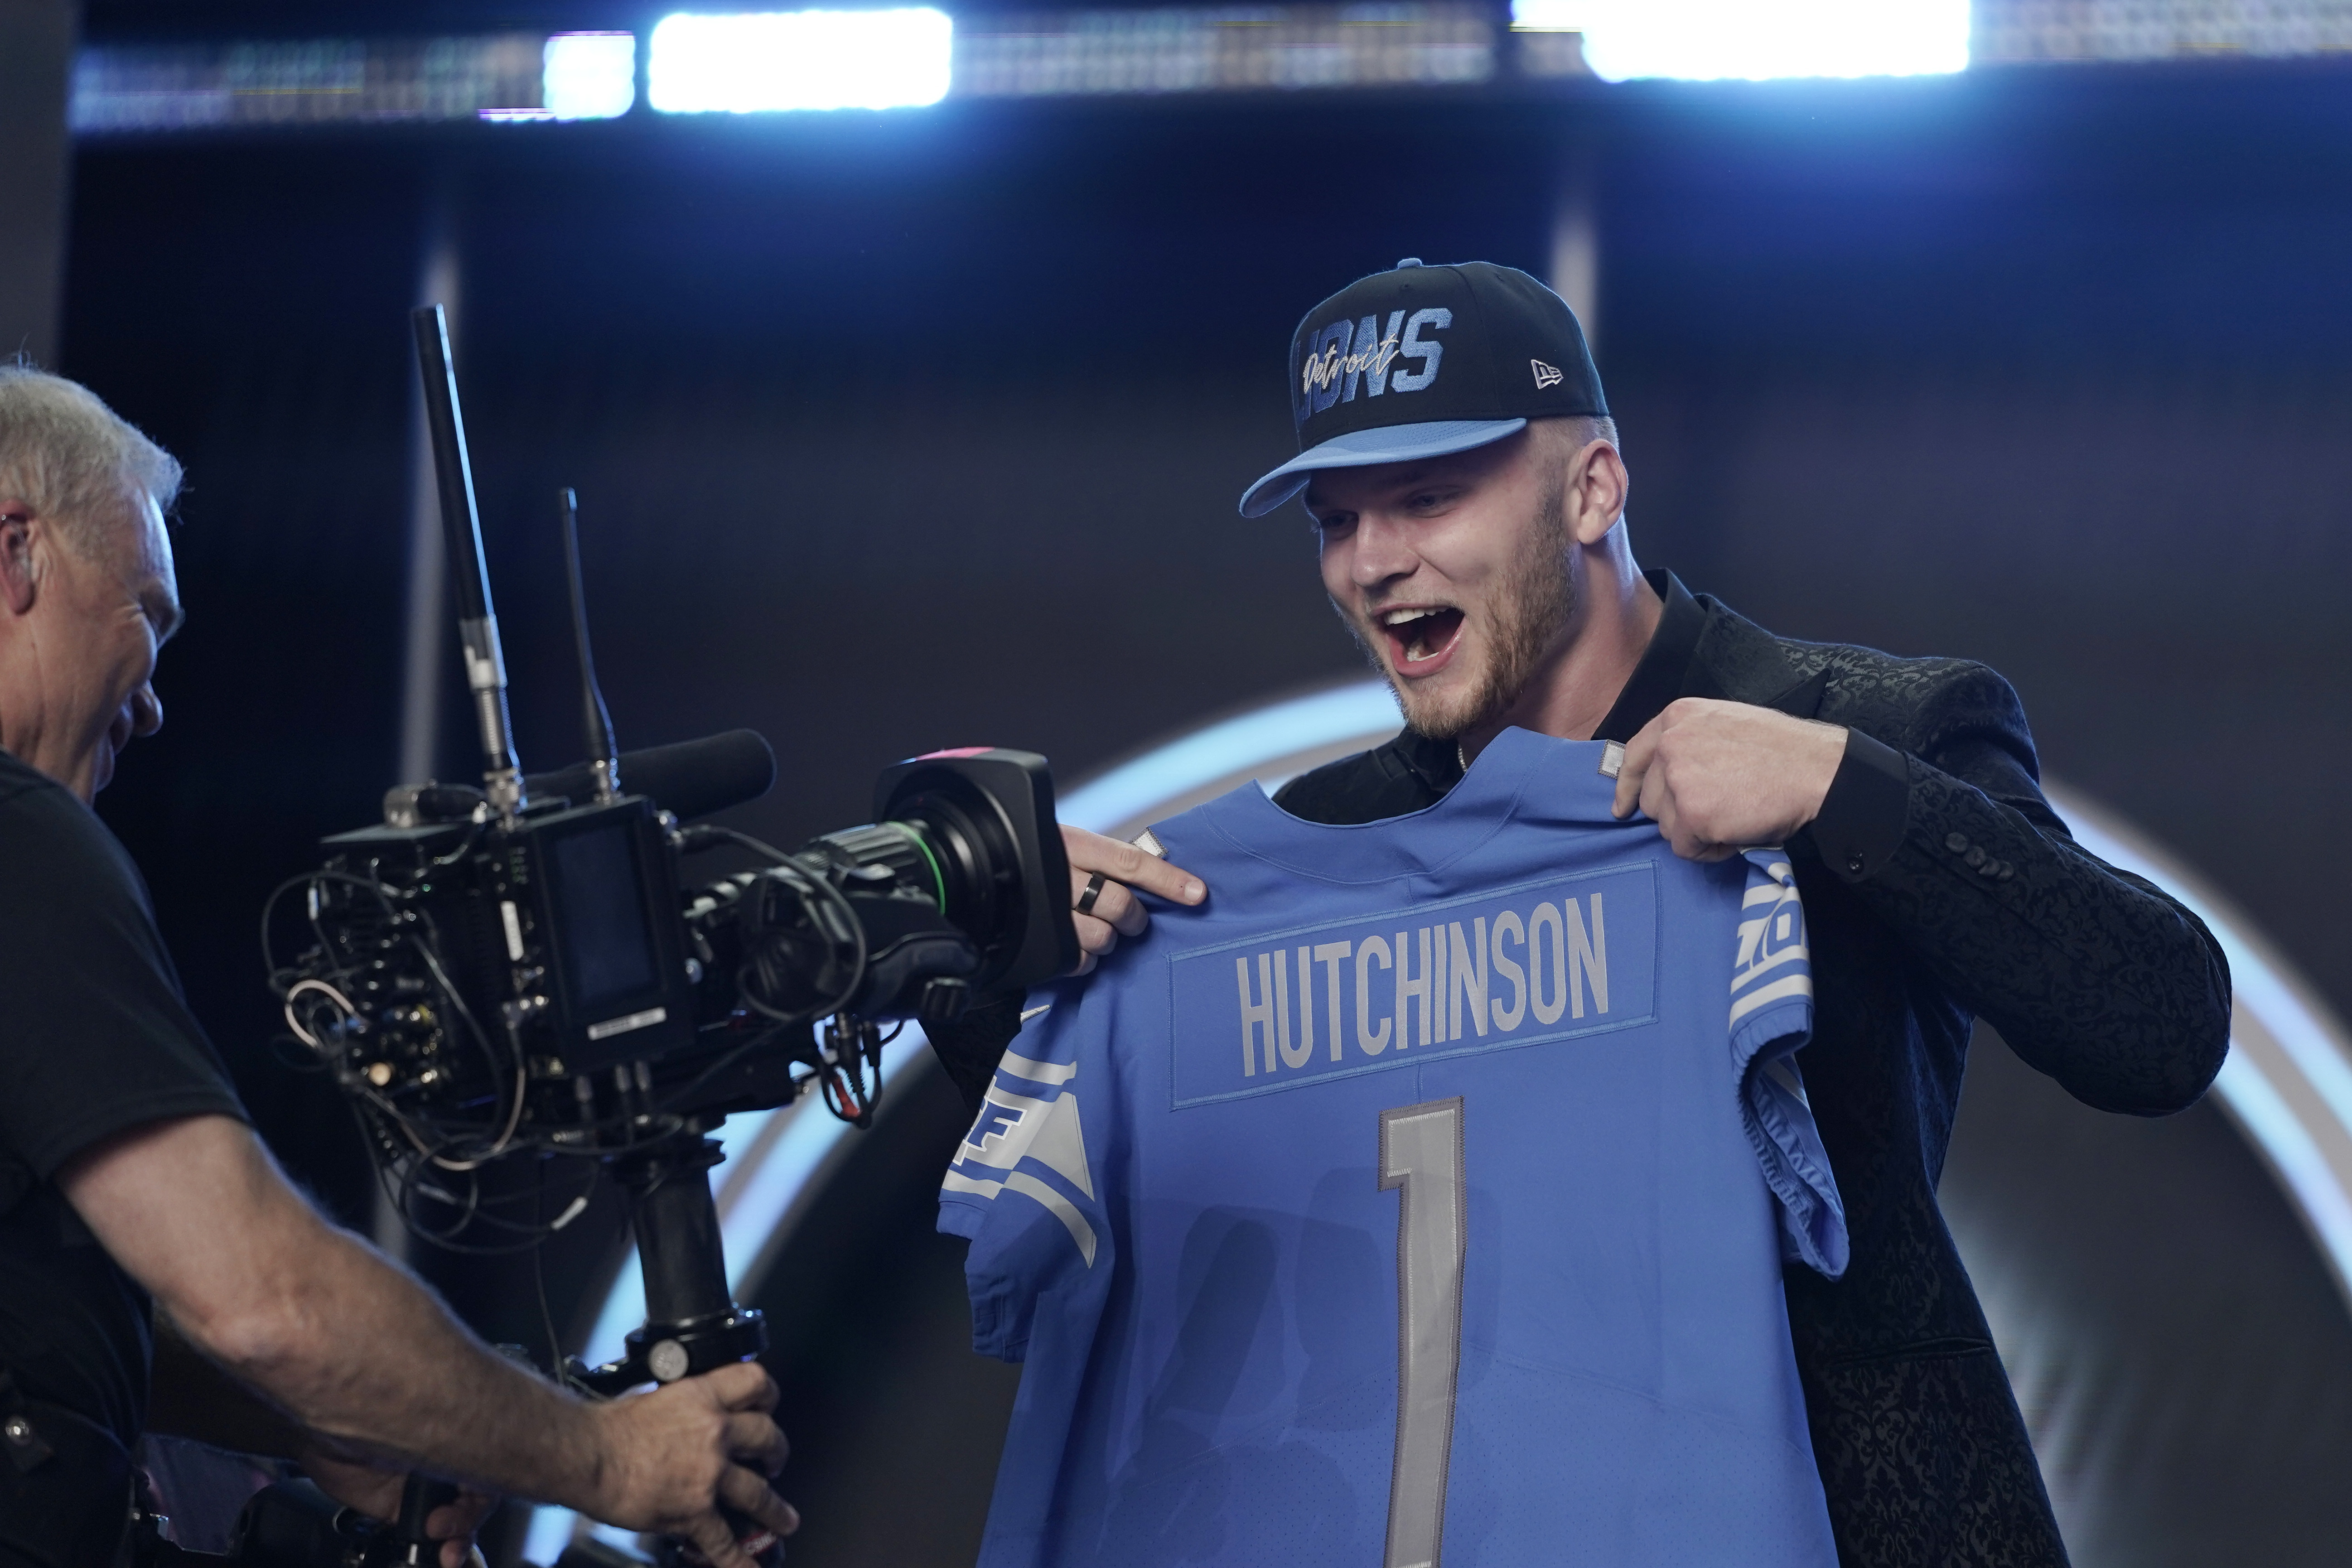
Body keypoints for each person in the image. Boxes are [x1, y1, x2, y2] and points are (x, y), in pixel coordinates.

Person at [974, 259, 2233, 1564]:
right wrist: (1022, 967)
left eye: (1427, 496)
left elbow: (2165, 1023)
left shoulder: (1862, 726)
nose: (1374, 563)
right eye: (1336, 521)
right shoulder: (1322, 848)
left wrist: (1844, 789)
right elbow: (1124, 1206)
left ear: (1592, 489)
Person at [0, 365, 798, 1568]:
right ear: (16, 553)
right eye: (145, 618)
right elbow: (263, 1297)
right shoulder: (19, 837)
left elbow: (49, 1320)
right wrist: (611, 1459)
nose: (153, 704)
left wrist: (332, 1425)